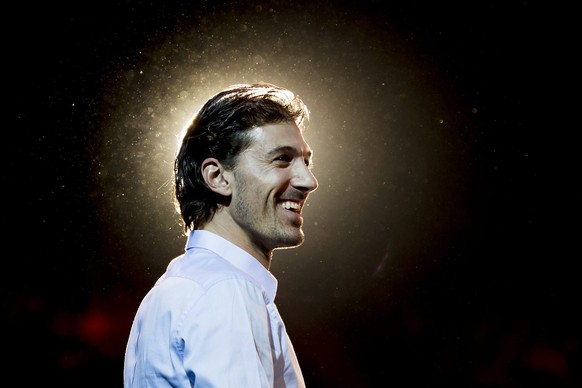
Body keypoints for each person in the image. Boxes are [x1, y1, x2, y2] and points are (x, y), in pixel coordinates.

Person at [124, 82, 319, 387]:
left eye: (305, 162)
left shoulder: (184, 285)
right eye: (282, 158)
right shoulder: (227, 290)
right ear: (217, 177)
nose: (309, 180)